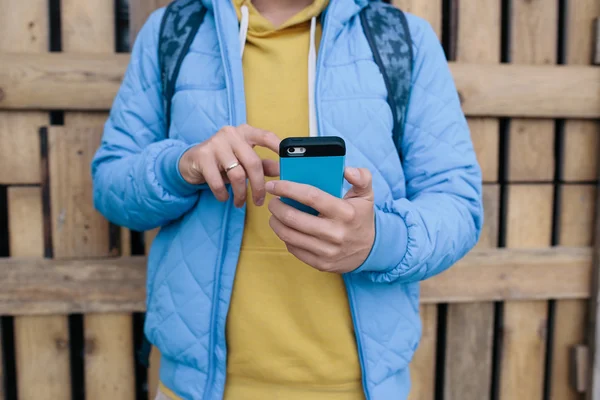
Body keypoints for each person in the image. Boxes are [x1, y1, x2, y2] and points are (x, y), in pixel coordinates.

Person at [91, 0, 483, 398]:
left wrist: (379, 241)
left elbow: (458, 202)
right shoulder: (172, 31)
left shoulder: (400, 38)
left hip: (357, 390)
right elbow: (109, 187)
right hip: (195, 389)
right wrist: (181, 166)